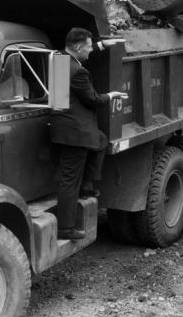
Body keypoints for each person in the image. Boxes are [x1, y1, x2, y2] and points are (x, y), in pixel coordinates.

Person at [49, 27, 127, 240]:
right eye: (89, 46)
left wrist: (103, 45)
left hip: (63, 128)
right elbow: (93, 100)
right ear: (77, 47)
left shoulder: (60, 60)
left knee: (100, 140)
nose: (91, 50)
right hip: (75, 134)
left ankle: (88, 185)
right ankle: (66, 228)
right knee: (68, 182)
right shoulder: (78, 72)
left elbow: (79, 66)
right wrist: (111, 96)